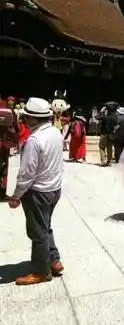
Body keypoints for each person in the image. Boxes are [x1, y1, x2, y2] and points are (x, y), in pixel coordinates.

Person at [6, 97, 64, 285]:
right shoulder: (55, 132)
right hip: (54, 188)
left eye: (27, 117)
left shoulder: (34, 140)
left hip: (38, 191)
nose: (25, 120)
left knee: (37, 231)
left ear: (34, 119)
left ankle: (41, 271)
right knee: (45, 226)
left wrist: (16, 196)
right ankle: (54, 260)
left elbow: (27, 173)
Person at [0, 105, 18, 201]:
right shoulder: (9, 110)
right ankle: (2, 195)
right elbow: (15, 128)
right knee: (4, 171)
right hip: (4, 147)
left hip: (4, 146)